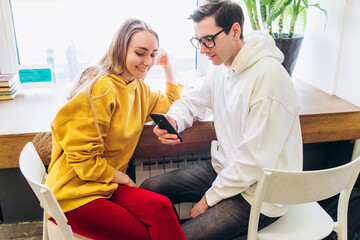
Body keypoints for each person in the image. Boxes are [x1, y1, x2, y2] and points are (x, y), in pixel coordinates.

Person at [140, 1, 303, 239]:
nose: (203, 49)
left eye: (209, 40)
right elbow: (192, 101)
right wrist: (174, 119)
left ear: (234, 31)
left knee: (182, 237)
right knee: (150, 191)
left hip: (260, 194)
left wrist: (208, 199)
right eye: (198, 41)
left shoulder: (269, 79)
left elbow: (253, 164)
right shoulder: (223, 66)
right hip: (227, 170)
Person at [45, 18, 186, 240]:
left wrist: (167, 67)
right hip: (74, 194)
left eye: (152, 54)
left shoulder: (137, 86)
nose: (148, 61)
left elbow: (170, 102)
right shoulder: (102, 87)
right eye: (140, 53)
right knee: (143, 235)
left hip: (104, 184)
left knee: (161, 207)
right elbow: (84, 162)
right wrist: (124, 178)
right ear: (121, 50)